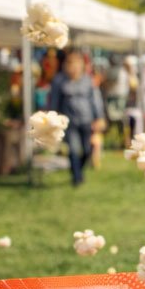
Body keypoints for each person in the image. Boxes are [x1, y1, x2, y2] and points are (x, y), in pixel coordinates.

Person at [48, 49, 104, 186]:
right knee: (73, 149)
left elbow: (96, 100)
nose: (73, 66)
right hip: (69, 121)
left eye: (76, 63)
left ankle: (79, 169)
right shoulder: (59, 81)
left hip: (86, 120)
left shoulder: (87, 80)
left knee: (87, 149)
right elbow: (54, 101)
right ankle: (77, 178)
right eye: (70, 63)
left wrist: (99, 117)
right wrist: (53, 118)